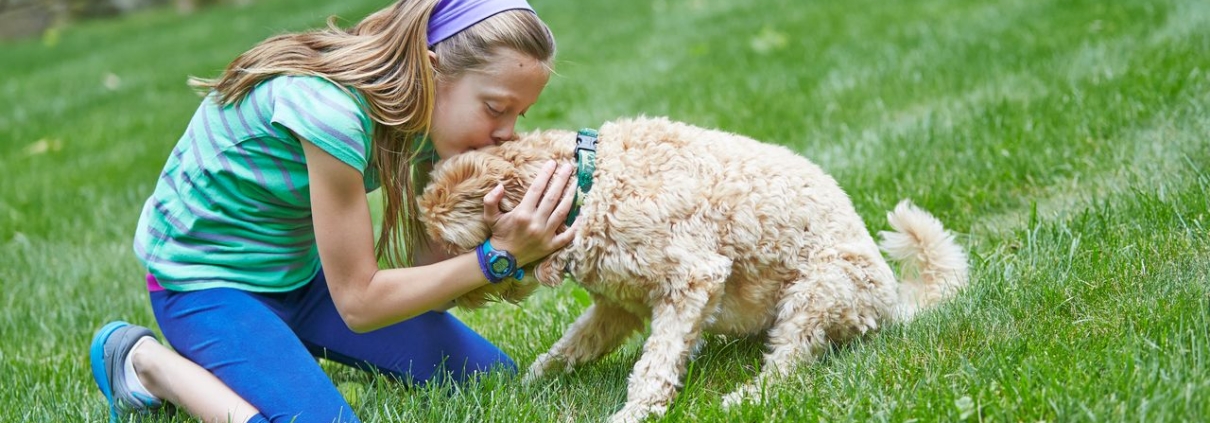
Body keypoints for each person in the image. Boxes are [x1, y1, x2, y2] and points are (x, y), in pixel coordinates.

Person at [87, 0, 575, 422]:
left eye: (518, 115)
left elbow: (430, 290)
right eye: (495, 108)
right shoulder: (332, 112)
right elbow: (360, 304)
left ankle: (273, 348)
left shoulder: (429, 124)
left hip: (301, 277)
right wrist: (494, 259)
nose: (507, 132)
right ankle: (141, 361)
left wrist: (488, 233)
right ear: (430, 72)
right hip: (203, 284)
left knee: (488, 377)